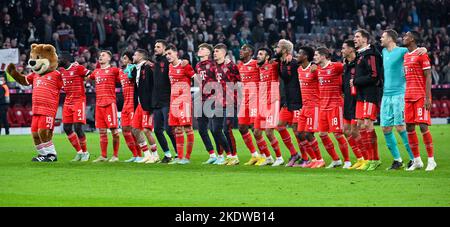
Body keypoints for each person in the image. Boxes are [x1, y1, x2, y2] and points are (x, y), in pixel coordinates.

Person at [379, 29, 427, 170]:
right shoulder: (383, 53)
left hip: (400, 94)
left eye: (383, 36)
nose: (380, 39)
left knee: (400, 127)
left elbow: (415, 52)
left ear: (390, 38)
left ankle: (414, 159)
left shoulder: (402, 51)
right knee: (385, 128)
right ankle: (397, 160)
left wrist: (423, 49)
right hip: (386, 95)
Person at [402, 31, 437, 171]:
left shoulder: (421, 54)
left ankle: (431, 160)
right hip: (408, 96)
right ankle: (417, 160)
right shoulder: (405, 55)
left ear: (412, 39)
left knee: (423, 126)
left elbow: (428, 76)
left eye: (406, 36)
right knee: (409, 127)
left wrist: (428, 97)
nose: (403, 37)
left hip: (421, 96)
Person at [352, 29, 383, 171]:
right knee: (360, 125)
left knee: (367, 125)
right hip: (361, 95)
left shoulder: (371, 54)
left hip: (370, 94)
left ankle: (375, 159)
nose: (354, 39)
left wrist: (356, 81)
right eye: (354, 37)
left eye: (357, 37)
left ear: (365, 39)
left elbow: (374, 75)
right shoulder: (361, 55)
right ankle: (368, 159)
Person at [195, 43, 231, 165]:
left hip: (214, 99)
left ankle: (228, 155)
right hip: (201, 99)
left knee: (215, 129)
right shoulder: (198, 65)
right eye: (199, 48)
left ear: (208, 53)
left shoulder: (214, 64)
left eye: (202, 49)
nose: (199, 50)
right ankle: (212, 154)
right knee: (201, 129)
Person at [314, 47, 351, 169]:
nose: (314, 57)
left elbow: (349, 69)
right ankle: (336, 160)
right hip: (323, 106)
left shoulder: (336, 66)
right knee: (322, 134)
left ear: (324, 56)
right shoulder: (317, 69)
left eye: (316, 55)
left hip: (335, 105)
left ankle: (347, 161)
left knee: (337, 134)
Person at [237, 44, 272, 166]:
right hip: (244, 101)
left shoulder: (256, 63)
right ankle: (255, 155)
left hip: (255, 100)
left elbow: (267, 70)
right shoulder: (240, 65)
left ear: (251, 53)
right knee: (242, 127)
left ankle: (266, 156)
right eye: (241, 49)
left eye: (244, 49)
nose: (241, 51)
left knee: (255, 128)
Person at [274, 39, 305, 166]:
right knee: (280, 126)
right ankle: (294, 154)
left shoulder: (294, 63)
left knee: (297, 131)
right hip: (286, 101)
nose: (276, 49)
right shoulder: (279, 62)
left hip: (297, 101)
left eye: (278, 47)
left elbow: (306, 65)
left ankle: (306, 158)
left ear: (285, 50)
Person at [89, 50, 122, 163]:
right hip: (99, 105)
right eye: (99, 55)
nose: (100, 57)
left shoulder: (114, 70)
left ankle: (115, 155)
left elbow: (124, 78)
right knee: (102, 132)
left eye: (103, 55)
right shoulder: (96, 72)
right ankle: (103, 156)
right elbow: (87, 77)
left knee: (114, 131)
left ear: (109, 58)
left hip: (110, 104)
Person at [253, 47, 284, 166]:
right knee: (256, 132)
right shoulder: (258, 66)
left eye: (261, 54)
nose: (258, 56)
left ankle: (279, 157)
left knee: (269, 132)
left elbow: (284, 59)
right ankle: (268, 157)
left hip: (273, 102)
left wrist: (276, 58)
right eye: (258, 53)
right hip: (262, 103)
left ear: (267, 57)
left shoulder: (274, 65)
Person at [295, 46, 325, 168]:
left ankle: (320, 159)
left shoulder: (315, 69)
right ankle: (313, 159)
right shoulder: (299, 70)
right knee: (299, 133)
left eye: (299, 54)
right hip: (304, 106)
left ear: (305, 56)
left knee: (309, 134)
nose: (297, 56)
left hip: (314, 106)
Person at [165, 44, 196, 165]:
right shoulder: (169, 67)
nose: (168, 56)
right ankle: (180, 157)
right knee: (177, 129)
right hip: (173, 102)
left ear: (176, 53)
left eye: (170, 53)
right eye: (166, 54)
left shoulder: (185, 65)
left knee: (187, 128)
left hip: (184, 101)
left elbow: (195, 78)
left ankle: (187, 158)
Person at [59, 51, 91, 162]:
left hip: (78, 101)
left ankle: (86, 152)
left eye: (59, 58)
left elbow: (90, 75)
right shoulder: (61, 71)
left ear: (66, 59)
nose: (58, 60)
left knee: (77, 127)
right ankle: (79, 152)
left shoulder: (78, 68)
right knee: (67, 128)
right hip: (68, 102)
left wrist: (85, 81)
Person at [340, 40, 367, 169]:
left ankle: (367, 159)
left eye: (344, 48)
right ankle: (359, 158)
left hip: (357, 100)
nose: (341, 50)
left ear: (351, 50)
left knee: (355, 132)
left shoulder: (359, 63)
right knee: (346, 131)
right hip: (347, 101)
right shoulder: (345, 64)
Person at [129, 49, 159, 164]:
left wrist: (152, 103)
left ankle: (155, 155)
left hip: (148, 104)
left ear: (141, 56)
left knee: (146, 130)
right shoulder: (137, 68)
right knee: (135, 129)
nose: (133, 56)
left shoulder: (148, 67)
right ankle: (147, 155)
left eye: (135, 54)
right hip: (140, 103)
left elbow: (154, 82)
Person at [151, 40, 178, 163]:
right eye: (155, 46)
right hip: (156, 102)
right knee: (157, 130)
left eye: (158, 47)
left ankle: (178, 153)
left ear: (164, 48)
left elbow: (179, 64)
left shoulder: (168, 61)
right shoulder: (154, 62)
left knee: (169, 129)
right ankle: (167, 154)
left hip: (167, 100)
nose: (155, 48)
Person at [213, 43, 240, 165]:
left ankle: (235, 156)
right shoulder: (215, 66)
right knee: (216, 130)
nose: (214, 53)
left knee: (226, 129)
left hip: (230, 102)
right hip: (219, 103)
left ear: (224, 53)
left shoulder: (231, 66)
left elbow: (239, 80)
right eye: (214, 51)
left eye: (217, 51)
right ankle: (228, 155)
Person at [119, 51, 143, 163]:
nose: (122, 60)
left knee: (134, 130)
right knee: (124, 130)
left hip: (133, 104)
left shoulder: (134, 70)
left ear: (129, 59)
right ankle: (135, 154)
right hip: (125, 104)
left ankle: (140, 154)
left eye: (125, 58)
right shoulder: (120, 72)